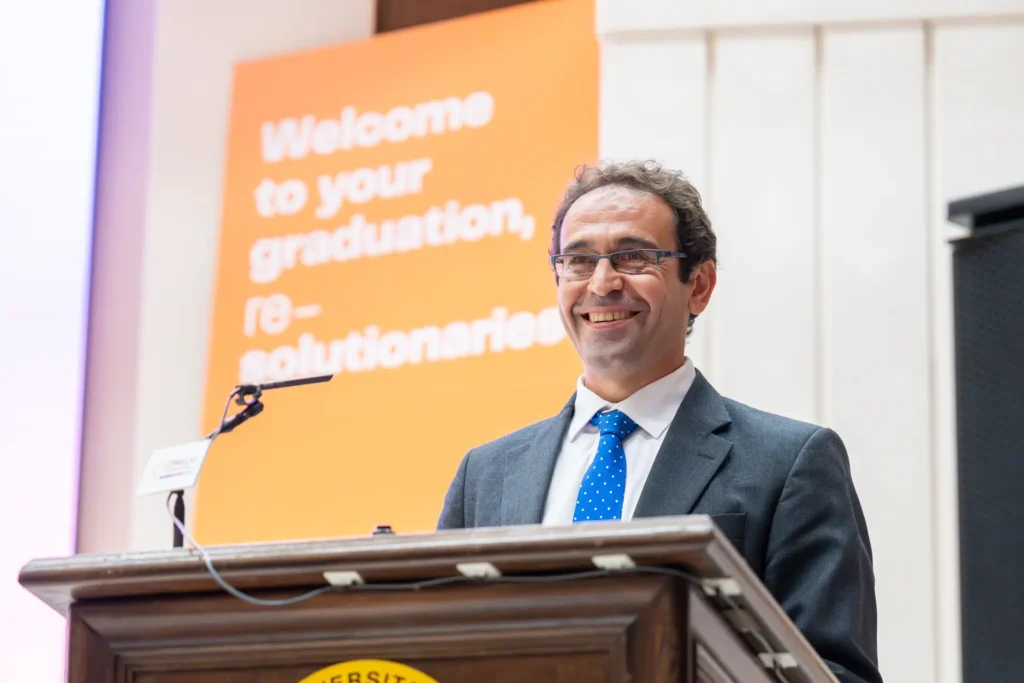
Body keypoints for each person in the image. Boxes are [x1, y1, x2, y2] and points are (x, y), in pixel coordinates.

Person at [436, 160, 881, 683]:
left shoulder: (790, 463)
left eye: (634, 257)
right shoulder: (486, 474)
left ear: (700, 285)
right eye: (578, 261)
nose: (602, 283)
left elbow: (835, 673)